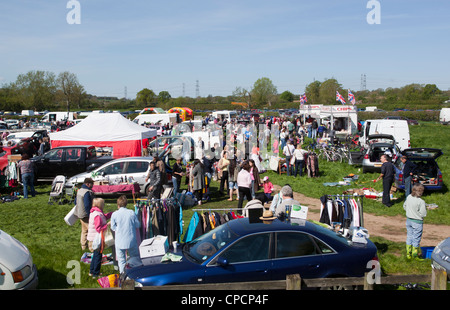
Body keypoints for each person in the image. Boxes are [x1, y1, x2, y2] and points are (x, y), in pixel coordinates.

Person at [110, 195, 142, 273]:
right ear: (126, 204)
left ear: (118, 205)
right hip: (131, 239)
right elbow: (138, 225)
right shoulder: (131, 213)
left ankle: (123, 274)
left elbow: (113, 227)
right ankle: (135, 272)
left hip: (120, 240)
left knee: (121, 261)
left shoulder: (114, 214)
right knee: (134, 257)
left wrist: (118, 229)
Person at [87, 198, 112, 277]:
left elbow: (104, 217)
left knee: (95, 255)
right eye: (103, 204)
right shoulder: (97, 215)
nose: (104, 205)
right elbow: (98, 228)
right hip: (97, 238)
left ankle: (92, 271)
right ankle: (96, 273)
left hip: (94, 237)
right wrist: (107, 225)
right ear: (100, 205)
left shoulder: (95, 212)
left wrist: (111, 214)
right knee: (98, 256)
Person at [403, 184, 427, 260]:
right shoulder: (421, 201)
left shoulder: (409, 197)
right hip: (417, 222)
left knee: (409, 236)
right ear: (421, 192)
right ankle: (415, 255)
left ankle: (408, 254)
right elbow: (423, 213)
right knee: (416, 238)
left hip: (409, 220)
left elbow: (404, 206)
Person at [73, 178, 95, 251]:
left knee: (84, 231)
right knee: (91, 231)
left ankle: (83, 246)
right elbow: (87, 205)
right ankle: (91, 248)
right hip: (86, 215)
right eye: (92, 184)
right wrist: (90, 215)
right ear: (88, 184)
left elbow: (75, 202)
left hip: (80, 214)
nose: (93, 185)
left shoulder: (79, 191)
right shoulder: (87, 192)